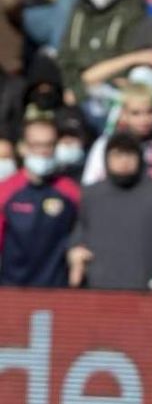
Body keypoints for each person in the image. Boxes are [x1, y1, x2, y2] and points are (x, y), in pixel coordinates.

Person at [67, 132, 152, 290]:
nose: (124, 160)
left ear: (140, 158)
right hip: (98, 294)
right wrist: (75, 257)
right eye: (118, 155)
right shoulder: (91, 196)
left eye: (129, 154)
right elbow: (77, 239)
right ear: (106, 158)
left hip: (148, 295)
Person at [81, 84, 152, 212]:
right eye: (136, 113)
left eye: (149, 112)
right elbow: (91, 185)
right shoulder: (105, 145)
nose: (144, 119)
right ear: (123, 113)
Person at [0, 118, 80, 287]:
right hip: (12, 290)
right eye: (36, 145)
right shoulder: (6, 191)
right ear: (23, 147)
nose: (43, 151)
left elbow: (82, 235)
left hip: (57, 291)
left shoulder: (70, 191)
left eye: (48, 145)